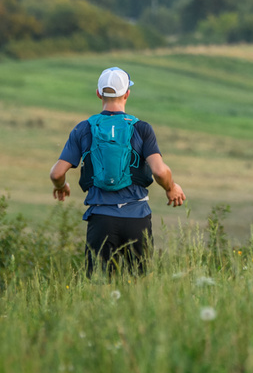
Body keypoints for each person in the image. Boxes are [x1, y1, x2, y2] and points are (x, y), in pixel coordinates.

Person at [49, 66, 186, 276]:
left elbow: (57, 173)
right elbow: (159, 172)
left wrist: (61, 186)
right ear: (127, 94)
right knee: (138, 288)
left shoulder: (83, 128)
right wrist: (171, 187)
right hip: (137, 218)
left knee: (99, 288)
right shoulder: (141, 128)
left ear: (98, 93)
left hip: (101, 218)